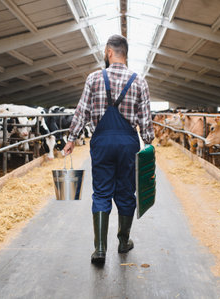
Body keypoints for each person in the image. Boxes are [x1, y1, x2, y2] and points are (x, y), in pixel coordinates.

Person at [63, 34, 154, 264]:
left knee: (102, 191)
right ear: (125, 53)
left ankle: (100, 249)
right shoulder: (139, 81)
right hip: (127, 144)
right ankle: (123, 242)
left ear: (108, 51)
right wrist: (149, 141)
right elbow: (145, 120)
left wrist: (71, 138)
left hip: (101, 142)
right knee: (126, 192)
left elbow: (81, 111)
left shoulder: (94, 78)